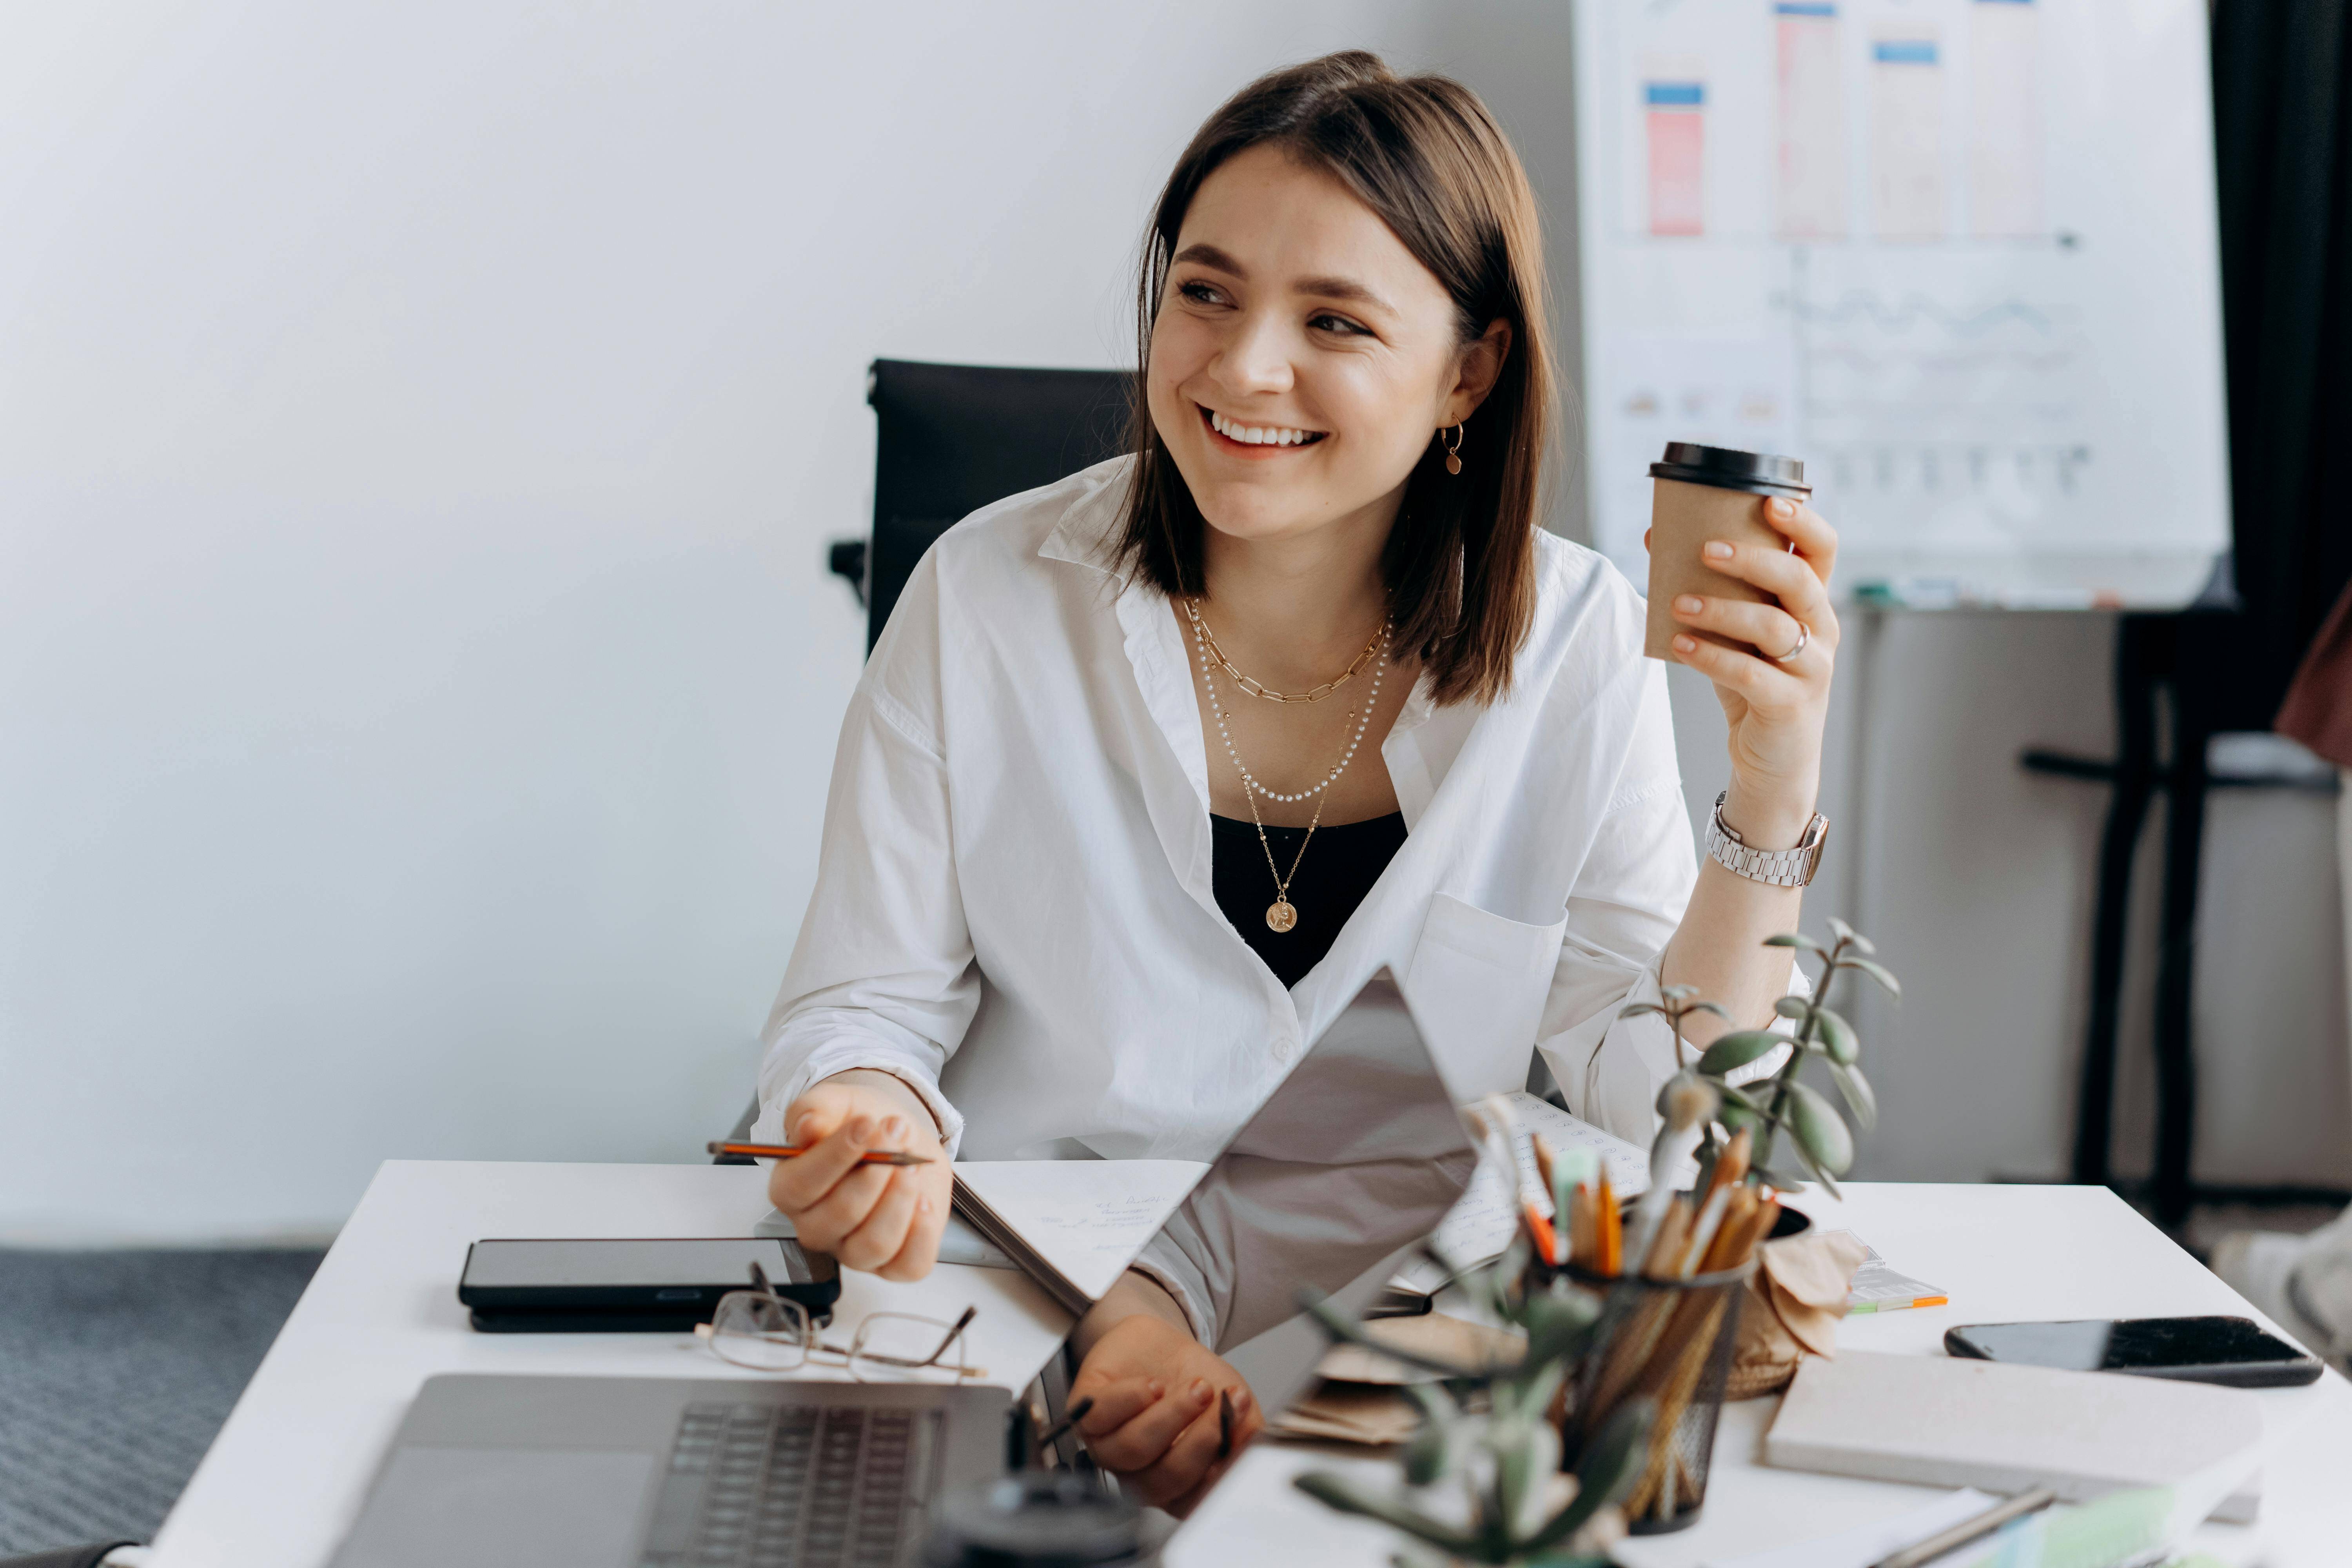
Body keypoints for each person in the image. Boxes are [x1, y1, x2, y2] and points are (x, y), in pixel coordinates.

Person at [751, 52, 1843, 1509]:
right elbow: (860, 1004)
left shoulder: (1571, 642)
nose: (1243, 365)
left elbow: (1663, 1093)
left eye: (1333, 319)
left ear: (1472, 370)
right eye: (1205, 292)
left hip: (1403, 1383)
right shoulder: (988, 596)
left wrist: (1769, 791)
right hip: (1020, 1330)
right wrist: (861, 1114)